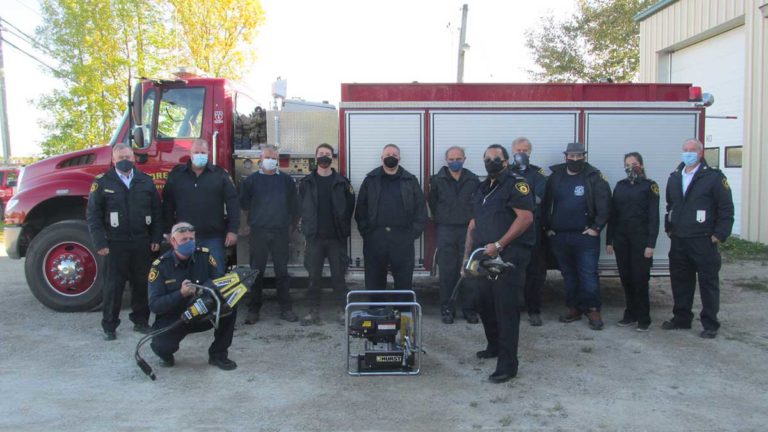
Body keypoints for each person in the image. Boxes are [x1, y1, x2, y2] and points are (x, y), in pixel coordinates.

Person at [464, 144, 534, 383]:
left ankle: (508, 365)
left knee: (506, 310)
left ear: (506, 161)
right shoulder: (482, 187)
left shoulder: (516, 184)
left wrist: (500, 244)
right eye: (487, 159)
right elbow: (473, 225)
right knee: (484, 303)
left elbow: (525, 218)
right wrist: (466, 257)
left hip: (509, 255)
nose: (491, 162)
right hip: (484, 255)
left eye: (496, 158)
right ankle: (493, 346)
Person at [86, 143, 162, 341]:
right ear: (113, 160)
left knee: (141, 283)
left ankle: (141, 321)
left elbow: (157, 211)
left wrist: (155, 237)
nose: (125, 161)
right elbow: (93, 215)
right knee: (113, 286)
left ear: (134, 158)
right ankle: (109, 326)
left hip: (141, 241)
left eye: (128, 157)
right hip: (115, 243)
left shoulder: (145, 181)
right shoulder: (102, 182)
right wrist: (100, 242)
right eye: (120, 158)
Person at [662, 138, 734, 339]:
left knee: (708, 283)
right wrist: (669, 227)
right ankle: (682, 318)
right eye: (685, 149)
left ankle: (710, 323)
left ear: (701, 153)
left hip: (703, 239)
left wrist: (720, 234)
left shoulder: (714, 177)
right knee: (680, 281)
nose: (688, 153)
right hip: (679, 239)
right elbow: (670, 205)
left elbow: (726, 208)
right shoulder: (675, 177)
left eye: (692, 150)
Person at [148, 222, 237, 370]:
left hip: (202, 310)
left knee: (230, 301)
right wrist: (180, 294)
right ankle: (166, 355)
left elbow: (219, 282)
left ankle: (218, 354)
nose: (189, 243)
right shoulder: (160, 266)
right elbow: (155, 305)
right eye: (184, 240)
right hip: (176, 317)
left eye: (191, 239)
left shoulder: (204, 255)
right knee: (161, 346)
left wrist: (203, 290)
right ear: (173, 242)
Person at [542, 142, 611, 330]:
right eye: (571, 156)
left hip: (585, 237)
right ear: (566, 157)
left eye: (578, 156)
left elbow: (605, 205)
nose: (574, 159)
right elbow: (546, 203)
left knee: (588, 275)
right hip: (560, 236)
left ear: (584, 157)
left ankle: (593, 310)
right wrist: (547, 227)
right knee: (569, 275)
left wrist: (596, 228)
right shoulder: (556, 177)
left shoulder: (593, 177)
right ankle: (574, 308)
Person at [239, 145, 299, 324]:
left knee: (282, 272)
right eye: (267, 157)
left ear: (277, 160)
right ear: (260, 158)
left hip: (280, 232)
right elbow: (243, 207)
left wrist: (291, 228)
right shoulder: (251, 181)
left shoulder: (286, 181)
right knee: (256, 272)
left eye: (274, 158)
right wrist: (244, 226)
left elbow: (295, 208)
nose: (270, 160)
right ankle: (253, 309)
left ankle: (286, 308)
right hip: (258, 232)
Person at [355, 144, 427, 291]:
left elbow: (421, 209)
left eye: (394, 155)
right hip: (375, 238)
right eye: (388, 155)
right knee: (374, 280)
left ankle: (402, 306)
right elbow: (361, 208)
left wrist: (412, 234)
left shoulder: (410, 180)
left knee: (404, 281)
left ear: (399, 158)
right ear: (382, 158)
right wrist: (367, 233)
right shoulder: (370, 180)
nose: (391, 157)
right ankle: (376, 305)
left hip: (403, 239)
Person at [297, 143, 355, 326]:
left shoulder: (342, 182)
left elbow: (350, 206)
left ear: (332, 157)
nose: (324, 156)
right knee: (314, 277)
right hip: (314, 238)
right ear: (316, 157)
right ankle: (312, 312)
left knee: (339, 277)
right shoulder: (306, 183)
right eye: (321, 153)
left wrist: (342, 226)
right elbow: (299, 206)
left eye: (327, 154)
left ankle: (343, 311)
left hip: (336, 238)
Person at [162, 138, 240, 273]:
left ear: (208, 153)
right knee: (185, 275)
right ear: (190, 153)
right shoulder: (177, 175)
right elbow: (168, 204)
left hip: (213, 237)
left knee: (216, 274)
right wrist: (168, 231)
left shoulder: (220, 174)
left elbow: (233, 203)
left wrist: (233, 230)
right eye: (196, 152)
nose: (200, 155)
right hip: (184, 236)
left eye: (203, 153)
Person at [606, 152, 660, 332]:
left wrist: (651, 244)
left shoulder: (650, 186)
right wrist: (609, 240)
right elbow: (613, 215)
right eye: (627, 164)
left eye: (634, 163)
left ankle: (644, 318)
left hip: (641, 241)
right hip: (622, 240)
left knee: (640, 279)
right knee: (626, 278)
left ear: (641, 165)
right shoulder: (620, 186)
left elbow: (654, 217)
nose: (631, 167)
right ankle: (631, 314)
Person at [427, 146, 480, 324]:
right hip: (446, 230)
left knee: (469, 270)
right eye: (451, 159)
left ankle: (469, 309)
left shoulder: (473, 179)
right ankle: (447, 309)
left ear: (464, 159)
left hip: (468, 230)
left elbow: (478, 203)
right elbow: (432, 202)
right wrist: (442, 217)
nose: (455, 162)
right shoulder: (438, 180)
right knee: (447, 272)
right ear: (446, 160)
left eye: (458, 159)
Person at [510, 137, 548, 326]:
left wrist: (517, 203)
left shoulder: (538, 175)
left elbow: (538, 199)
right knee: (510, 271)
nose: (521, 153)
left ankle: (534, 310)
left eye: (525, 150)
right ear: (512, 152)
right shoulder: (506, 173)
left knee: (535, 272)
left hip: (532, 230)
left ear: (530, 152)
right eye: (518, 150)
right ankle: (513, 307)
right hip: (510, 230)